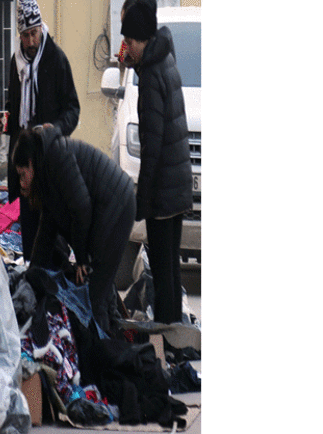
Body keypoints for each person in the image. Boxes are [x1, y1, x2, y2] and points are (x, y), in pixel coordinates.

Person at [11, 125, 135, 336]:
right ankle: (112, 341)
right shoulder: (46, 172)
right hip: (106, 212)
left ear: (31, 163)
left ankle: (103, 357)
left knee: (95, 297)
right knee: (98, 292)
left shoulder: (56, 156)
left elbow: (81, 208)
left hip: (117, 208)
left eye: (23, 175)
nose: (22, 184)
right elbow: (47, 229)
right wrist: (32, 274)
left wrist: (81, 260)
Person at [121, 0, 193, 325]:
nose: (128, 49)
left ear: (142, 40)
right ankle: (176, 337)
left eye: (131, 43)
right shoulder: (165, 57)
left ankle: (167, 337)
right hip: (177, 183)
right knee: (171, 269)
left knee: (163, 274)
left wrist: (142, 199)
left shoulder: (150, 77)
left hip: (163, 188)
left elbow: (152, 146)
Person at [0, 0, 80, 261]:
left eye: (34, 33)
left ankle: (53, 290)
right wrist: (4, 121)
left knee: (53, 236)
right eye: (25, 35)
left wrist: (55, 129)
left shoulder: (56, 60)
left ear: (41, 30)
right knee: (30, 234)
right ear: (19, 35)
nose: (30, 41)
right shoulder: (16, 63)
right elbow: (15, 110)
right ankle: (33, 288)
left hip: (49, 159)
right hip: (24, 164)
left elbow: (72, 109)